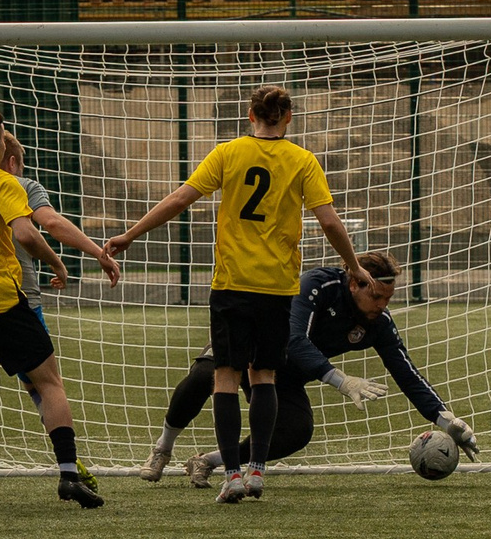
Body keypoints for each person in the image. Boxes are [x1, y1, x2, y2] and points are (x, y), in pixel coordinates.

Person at [106, 83, 370, 503]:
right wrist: (354, 265)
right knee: (263, 375)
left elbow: (180, 198)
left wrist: (131, 234)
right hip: (278, 287)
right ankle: (257, 471)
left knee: (225, 378)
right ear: (288, 117)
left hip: (231, 284)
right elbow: (331, 223)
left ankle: (229, 474)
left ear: (250, 116)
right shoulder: (302, 160)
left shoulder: (228, 153)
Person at [139, 252, 480, 483]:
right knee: (203, 375)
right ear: (354, 284)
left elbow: (405, 371)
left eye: (388, 299)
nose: (381, 306)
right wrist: (341, 380)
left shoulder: (378, 322)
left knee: (297, 430)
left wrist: (444, 418)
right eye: (376, 297)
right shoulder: (319, 285)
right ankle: (163, 448)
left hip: (282, 374)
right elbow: (293, 339)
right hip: (252, 342)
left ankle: (207, 461)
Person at [0, 129, 119, 509]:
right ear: (6, 155)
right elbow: (43, 227)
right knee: (46, 384)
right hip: (10, 300)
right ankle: (69, 470)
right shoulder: (13, 183)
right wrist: (70, 259)